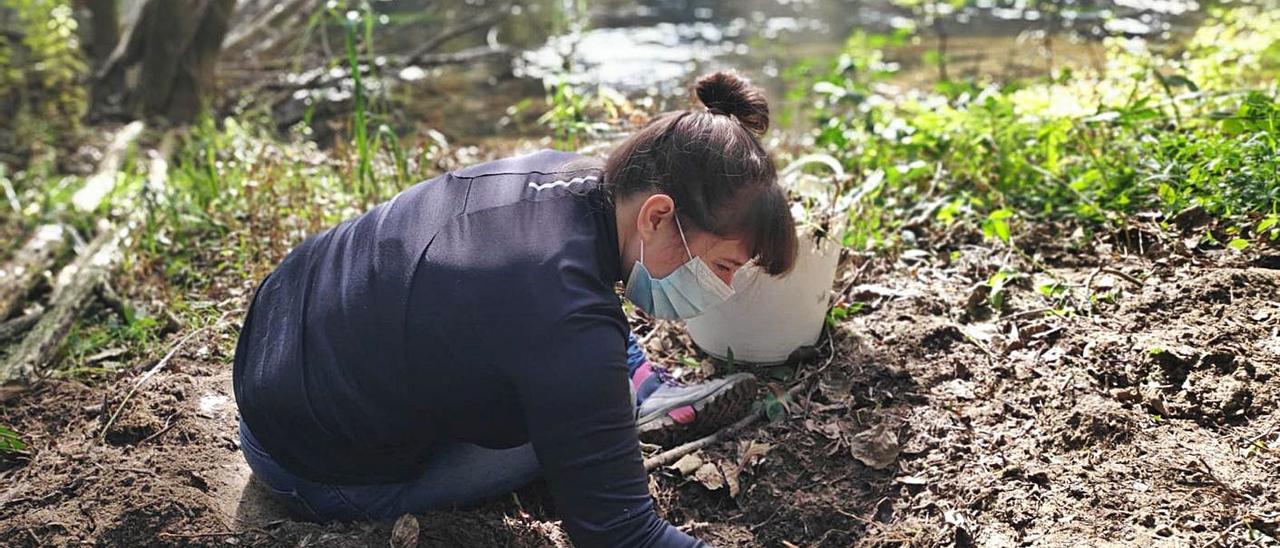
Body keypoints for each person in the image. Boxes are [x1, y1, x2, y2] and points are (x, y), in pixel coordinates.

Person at [232, 70, 798, 547]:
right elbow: (622, 534)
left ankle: (637, 391)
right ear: (655, 215)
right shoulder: (568, 325)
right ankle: (633, 399)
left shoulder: (565, 174)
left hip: (277, 342)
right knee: (567, 422)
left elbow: (552, 302)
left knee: (565, 356)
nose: (720, 288)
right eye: (722, 266)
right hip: (305, 465)